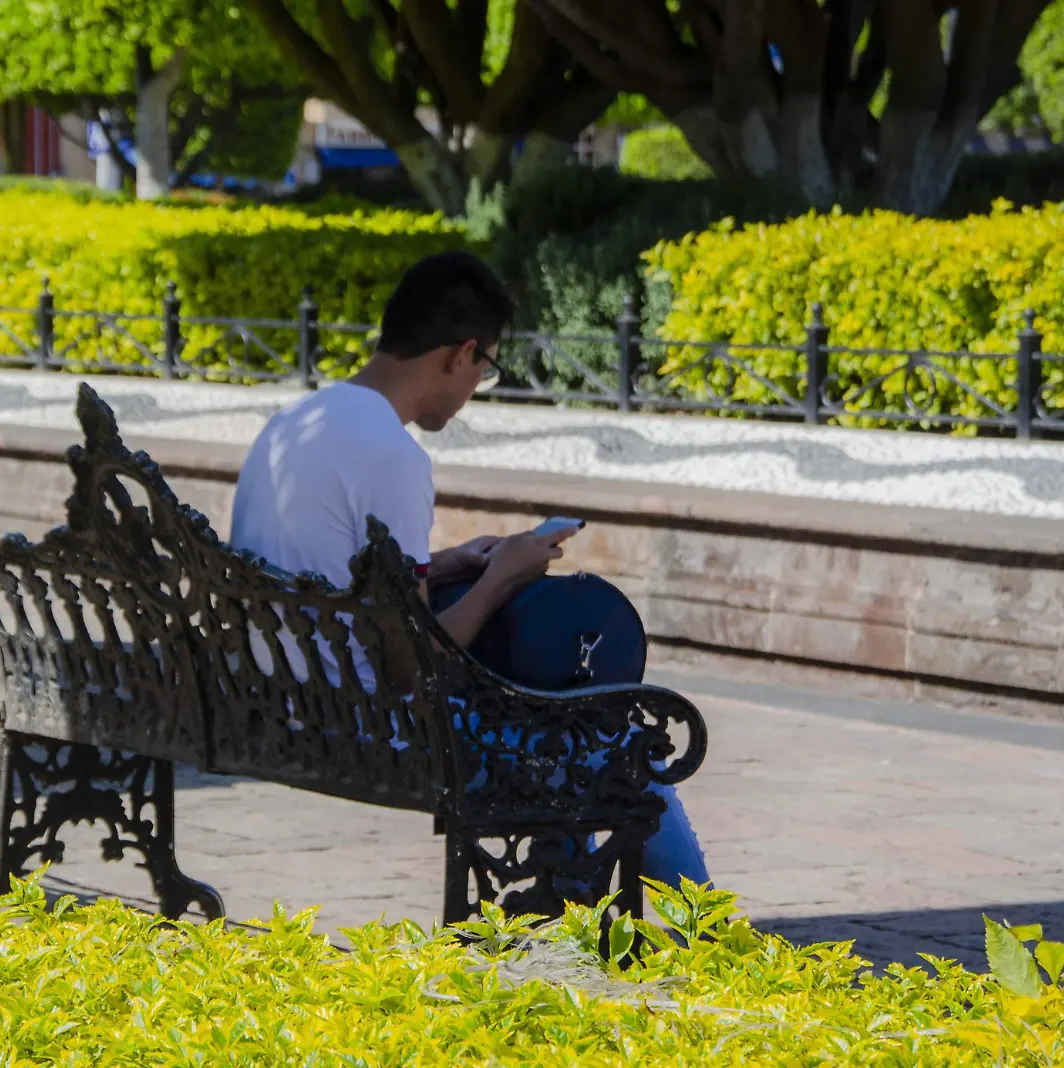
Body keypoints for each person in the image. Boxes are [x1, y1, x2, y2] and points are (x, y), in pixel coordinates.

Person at [228, 250, 707, 889]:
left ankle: (577, 899)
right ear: (464, 354)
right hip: (371, 731)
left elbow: (328, 565)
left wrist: (448, 562)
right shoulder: (391, 456)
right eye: (485, 368)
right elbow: (414, 662)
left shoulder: (294, 423)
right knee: (617, 747)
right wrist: (499, 576)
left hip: (269, 700)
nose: (476, 386)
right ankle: (708, 936)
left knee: (564, 721)